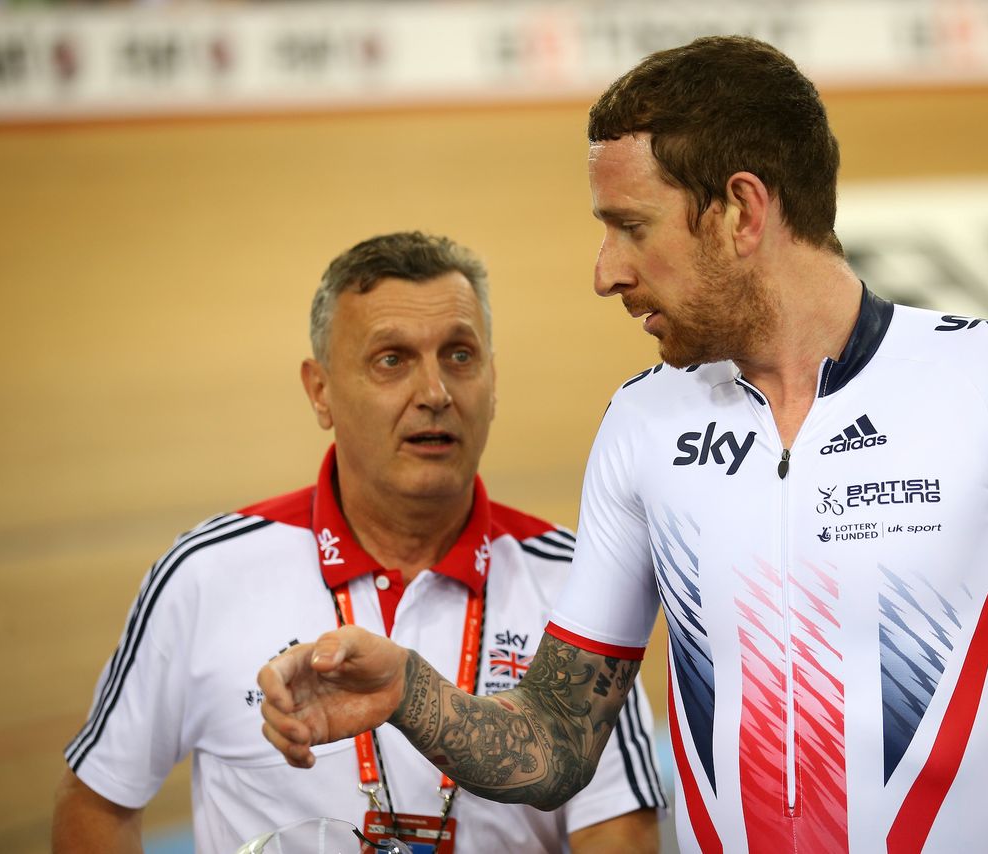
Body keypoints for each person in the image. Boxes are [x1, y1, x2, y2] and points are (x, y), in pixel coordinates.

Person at [257, 38, 988, 854]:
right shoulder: (643, 425)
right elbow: (558, 742)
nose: (604, 270)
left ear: (739, 211)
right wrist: (410, 690)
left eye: (629, 225)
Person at [52, 231, 665, 853]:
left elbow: (618, 827)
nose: (435, 393)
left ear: (493, 379)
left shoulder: (575, 578)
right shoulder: (204, 574)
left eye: (459, 355)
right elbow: (97, 802)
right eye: (391, 360)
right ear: (320, 391)